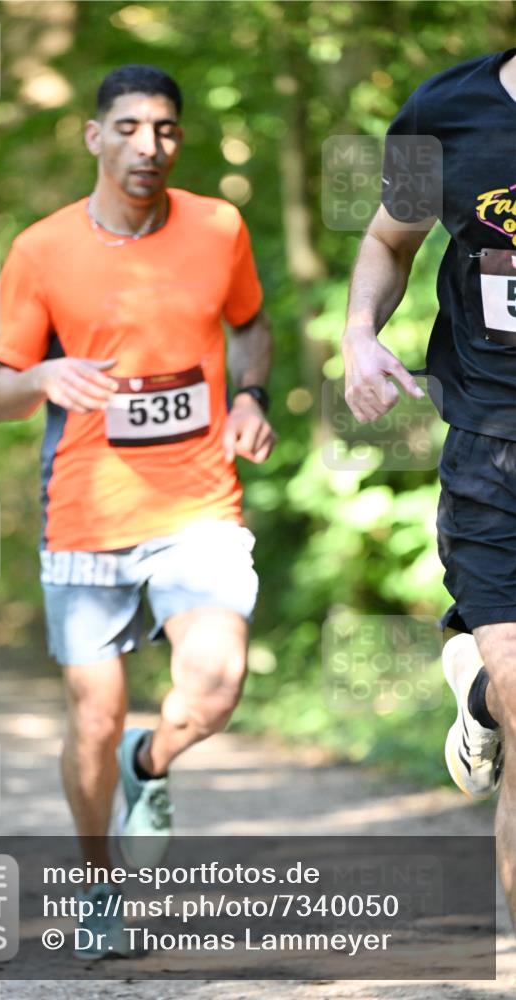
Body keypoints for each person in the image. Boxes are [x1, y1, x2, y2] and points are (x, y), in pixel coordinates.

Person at [0, 64, 275, 956]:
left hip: (198, 504)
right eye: (129, 128)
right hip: (86, 513)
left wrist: (250, 396)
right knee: (94, 718)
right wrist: (42, 374)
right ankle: (98, 886)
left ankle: (152, 761)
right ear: (94, 136)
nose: (149, 146)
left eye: (166, 129)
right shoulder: (41, 250)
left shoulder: (217, 227)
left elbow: (249, 323)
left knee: (215, 684)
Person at [342, 48, 516, 928]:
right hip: (493, 446)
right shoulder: (444, 110)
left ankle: (482, 694)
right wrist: (358, 333)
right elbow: (389, 237)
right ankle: (495, 689)